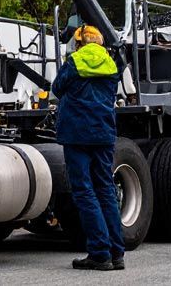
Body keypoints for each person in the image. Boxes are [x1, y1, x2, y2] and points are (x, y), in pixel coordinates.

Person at [51, 25, 125, 271]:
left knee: (84, 191)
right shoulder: (112, 64)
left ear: (80, 43)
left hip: (76, 134)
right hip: (103, 133)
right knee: (105, 190)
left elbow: (57, 88)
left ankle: (99, 253)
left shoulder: (74, 62)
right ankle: (116, 253)